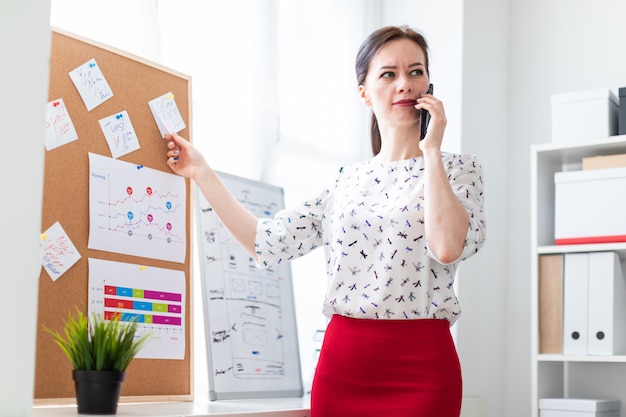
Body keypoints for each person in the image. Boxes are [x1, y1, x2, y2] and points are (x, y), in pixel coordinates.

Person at [165, 25, 486, 417]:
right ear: (364, 91)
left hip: (423, 366)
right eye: (389, 74)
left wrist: (431, 151)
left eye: (415, 72)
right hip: (344, 365)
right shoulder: (345, 182)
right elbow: (266, 242)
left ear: (429, 85)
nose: (405, 84)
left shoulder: (458, 170)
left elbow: (447, 247)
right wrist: (203, 174)